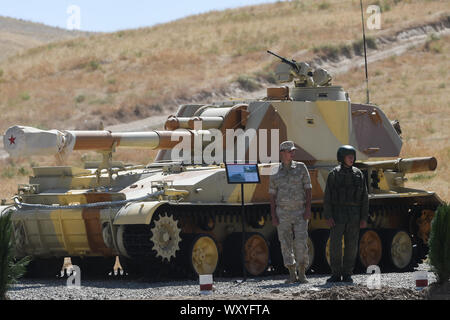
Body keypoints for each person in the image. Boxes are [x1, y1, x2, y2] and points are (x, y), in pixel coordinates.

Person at [323, 145, 369, 283]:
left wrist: (363, 217)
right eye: (348, 156)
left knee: (352, 246)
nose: (351, 159)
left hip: (354, 216)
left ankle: (348, 273)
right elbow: (327, 198)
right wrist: (328, 216)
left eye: (352, 156)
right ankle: (336, 274)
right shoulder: (334, 174)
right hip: (338, 215)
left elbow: (364, 198)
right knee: (335, 246)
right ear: (341, 158)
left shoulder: (358, 174)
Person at [269, 141, 312, 284]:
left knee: (301, 243)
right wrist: (274, 215)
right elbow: (272, 195)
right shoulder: (275, 171)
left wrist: (307, 209)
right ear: (282, 153)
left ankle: (302, 272)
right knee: (285, 244)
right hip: (282, 213)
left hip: (299, 212)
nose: (292, 153)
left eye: (293, 151)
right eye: (289, 151)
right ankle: (292, 273)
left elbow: (308, 189)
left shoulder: (301, 168)